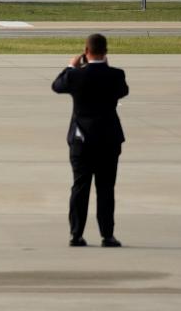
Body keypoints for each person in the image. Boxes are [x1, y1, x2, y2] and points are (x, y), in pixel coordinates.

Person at [51, 33, 129, 247]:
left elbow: (56, 86)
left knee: (80, 187)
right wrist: (106, 67)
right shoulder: (116, 75)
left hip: (81, 139)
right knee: (106, 188)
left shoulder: (76, 76)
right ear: (106, 51)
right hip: (108, 139)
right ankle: (107, 235)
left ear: (86, 51)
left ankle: (76, 234)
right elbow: (123, 91)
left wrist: (70, 67)